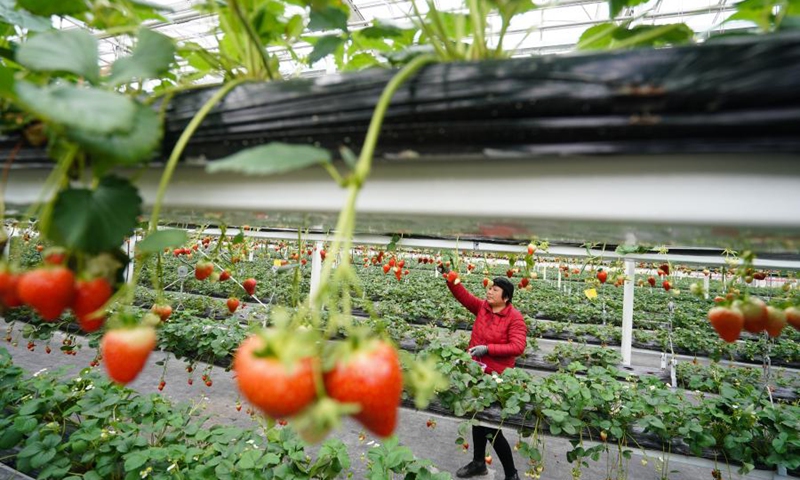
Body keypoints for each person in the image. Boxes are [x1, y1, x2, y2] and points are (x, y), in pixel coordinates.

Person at [440, 267, 527, 480]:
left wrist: (488, 348)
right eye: (490, 288)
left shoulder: (514, 318)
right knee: (477, 419)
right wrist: (451, 277)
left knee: (489, 425)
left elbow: (518, 346)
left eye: (494, 290)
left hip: (496, 377)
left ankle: (511, 473)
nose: (489, 292)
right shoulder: (482, 308)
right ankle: (479, 463)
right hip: (475, 372)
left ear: (505, 297)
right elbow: (464, 296)